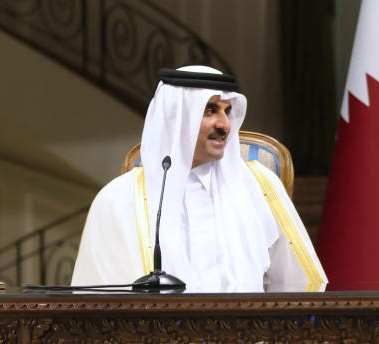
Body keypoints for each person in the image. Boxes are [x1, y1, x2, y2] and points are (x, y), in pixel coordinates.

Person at [72, 66, 326, 292]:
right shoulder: (117, 200)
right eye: (210, 110)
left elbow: (299, 283)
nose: (224, 124)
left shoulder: (260, 187)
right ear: (176, 118)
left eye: (227, 111)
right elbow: (96, 301)